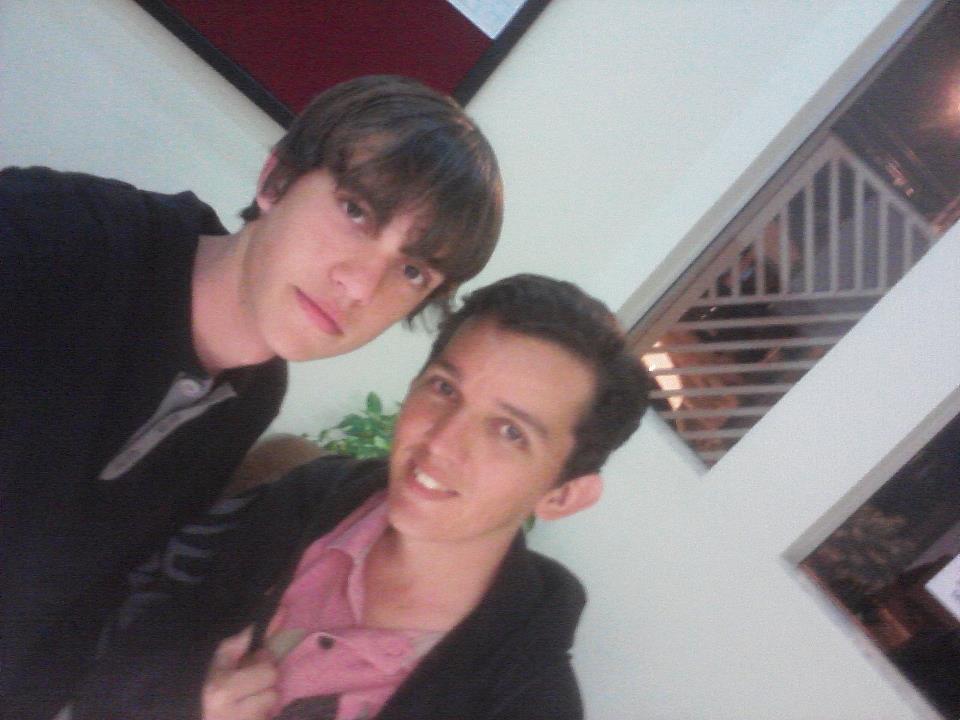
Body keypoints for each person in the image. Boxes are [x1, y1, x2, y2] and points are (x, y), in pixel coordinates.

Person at [0, 75, 503, 718]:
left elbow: (78, 601)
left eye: (411, 270)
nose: (360, 286)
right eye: (356, 211)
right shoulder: (50, 235)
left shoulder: (252, 397)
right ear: (277, 180)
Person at [71, 274, 651, 720]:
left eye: (509, 431)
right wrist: (179, 701)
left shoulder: (523, 704)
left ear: (563, 495)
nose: (440, 442)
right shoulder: (302, 500)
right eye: (444, 388)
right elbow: (114, 622)